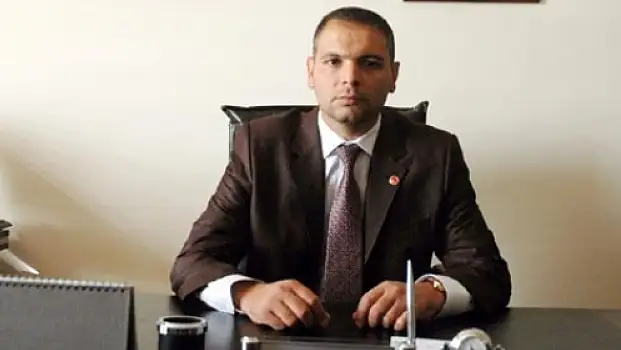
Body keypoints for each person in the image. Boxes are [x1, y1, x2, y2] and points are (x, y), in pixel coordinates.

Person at [169, 6, 511, 331]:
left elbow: (487, 272)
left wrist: (430, 292)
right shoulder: (260, 146)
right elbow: (193, 262)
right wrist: (248, 294)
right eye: (333, 61)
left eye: (370, 63)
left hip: (388, 341)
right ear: (311, 71)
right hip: (278, 341)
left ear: (393, 75)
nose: (350, 78)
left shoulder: (435, 154)